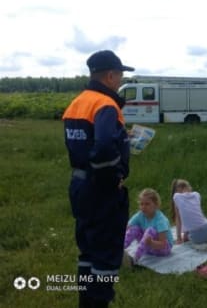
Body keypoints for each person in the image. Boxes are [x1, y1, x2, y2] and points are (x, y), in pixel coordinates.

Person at [62, 50, 134, 308]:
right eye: (120, 75)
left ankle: (85, 302)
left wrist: (123, 138)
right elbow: (103, 149)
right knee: (104, 254)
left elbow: (81, 144)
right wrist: (114, 176)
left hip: (80, 185)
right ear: (111, 75)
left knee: (88, 250)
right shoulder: (105, 104)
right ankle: (99, 302)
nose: (120, 80)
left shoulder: (78, 102)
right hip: (101, 190)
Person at [124, 188, 174, 261]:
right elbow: (127, 227)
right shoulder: (140, 215)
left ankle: (135, 259)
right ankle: (118, 250)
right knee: (134, 229)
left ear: (156, 205)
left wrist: (151, 243)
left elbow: (163, 244)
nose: (143, 207)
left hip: (162, 249)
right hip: (147, 246)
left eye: (147, 204)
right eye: (141, 204)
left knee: (150, 230)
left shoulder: (161, 220)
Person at [171, 179, 207, 251]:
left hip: (196, 237)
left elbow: (178, 219)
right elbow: (198, 215)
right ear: (189, 187)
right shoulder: (196, 195)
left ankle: (202, 246)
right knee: (200, 226)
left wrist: (179, 238)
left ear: (176, 191)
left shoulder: (176, 197)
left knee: (189, 238)